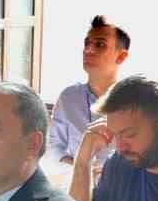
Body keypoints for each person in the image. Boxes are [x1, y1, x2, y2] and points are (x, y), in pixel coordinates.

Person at [47, 16, 130, 164]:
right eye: (87, 43)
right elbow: (54, 146)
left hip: (121, 185)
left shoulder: (135, 102)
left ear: (121, 57)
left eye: (100, 44)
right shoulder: (69, 97)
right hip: (75, 180)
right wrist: (76, 166)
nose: (88, 50)